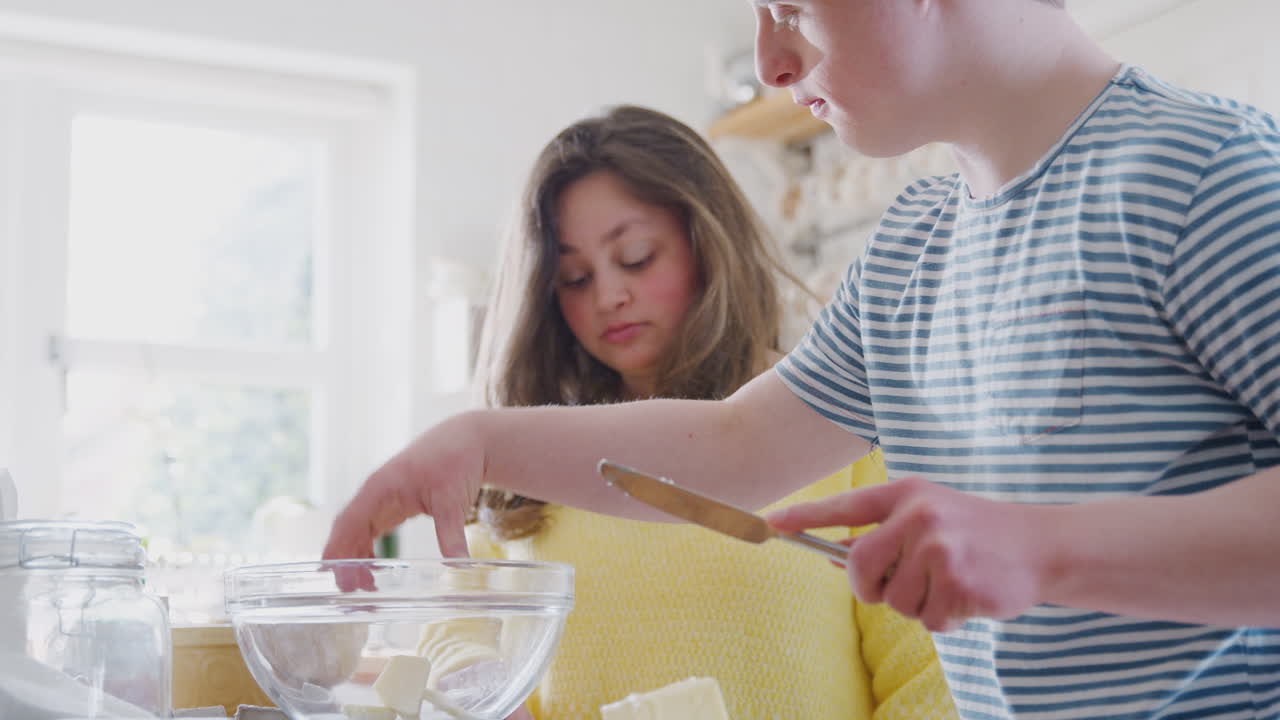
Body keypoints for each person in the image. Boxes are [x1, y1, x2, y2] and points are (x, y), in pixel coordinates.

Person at [326, 1, 1280, 718]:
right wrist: (475, 442)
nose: (771, 61)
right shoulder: (914, 244)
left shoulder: (1205, 174)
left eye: (789, 6)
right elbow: (738, 445)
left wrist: (1043, 548)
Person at [462, 105, 955, 719]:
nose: (610, 296)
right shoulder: (531, 457)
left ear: (708, 243)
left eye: (637, 257)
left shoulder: (838, 426)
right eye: (574, 277)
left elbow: (931, 678)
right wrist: (476, 687)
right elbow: (460, 623)